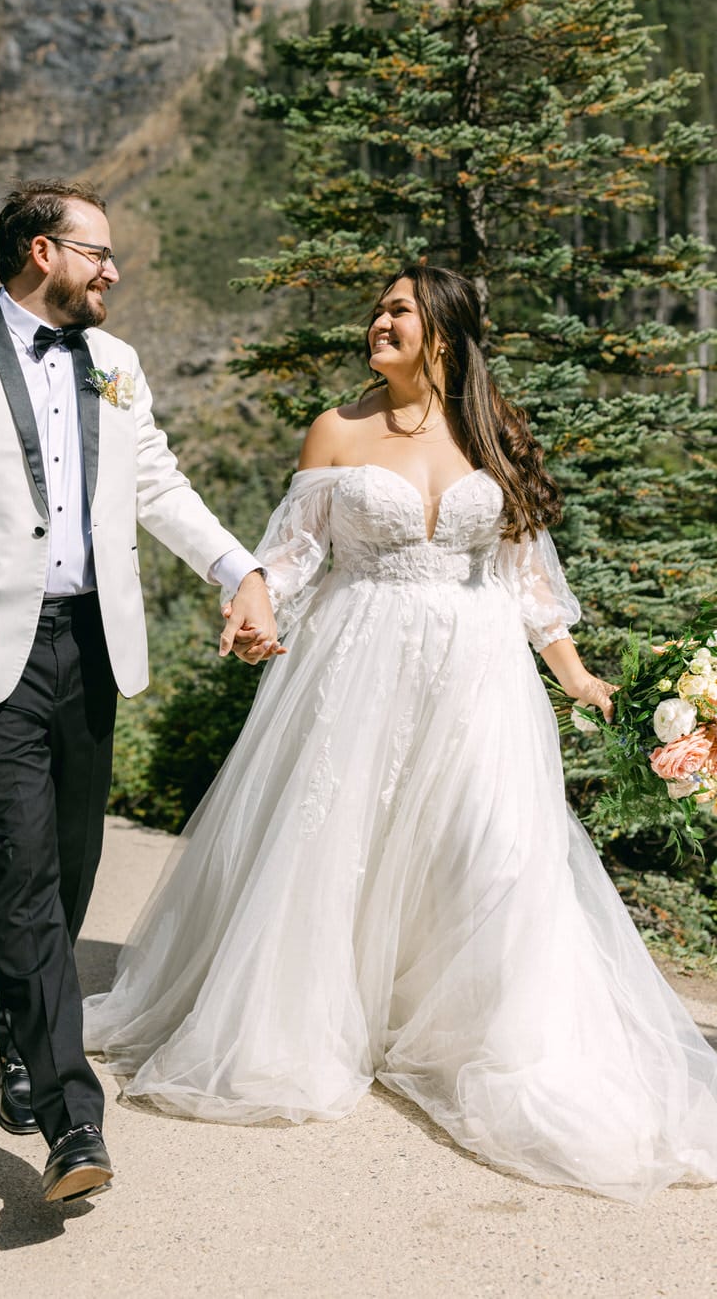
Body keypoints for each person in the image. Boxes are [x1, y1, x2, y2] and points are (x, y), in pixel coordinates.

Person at [84, 264, 717, 1203]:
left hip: (479, 674)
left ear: (446, 336)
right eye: (377, 307)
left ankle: (487, 1033)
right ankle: (304, 1024)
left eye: (400, 310)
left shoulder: (490, 433)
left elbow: (524, 578)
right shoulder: (337, 430)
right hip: (358, 661)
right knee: (337, 842)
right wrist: (254, 607)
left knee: (496, 850)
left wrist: (577, 676)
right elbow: (291, 559)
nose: (379, 320)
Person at [0, 179, 281, 1205]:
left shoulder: (115, 364)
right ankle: (73, 1118)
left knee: (71, 862)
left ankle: (24, 1031)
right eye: (97, 252)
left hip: (91, 643)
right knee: (20, 864)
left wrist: (237, 570)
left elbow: (154, 482)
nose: (114, 269)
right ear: (41, 252)